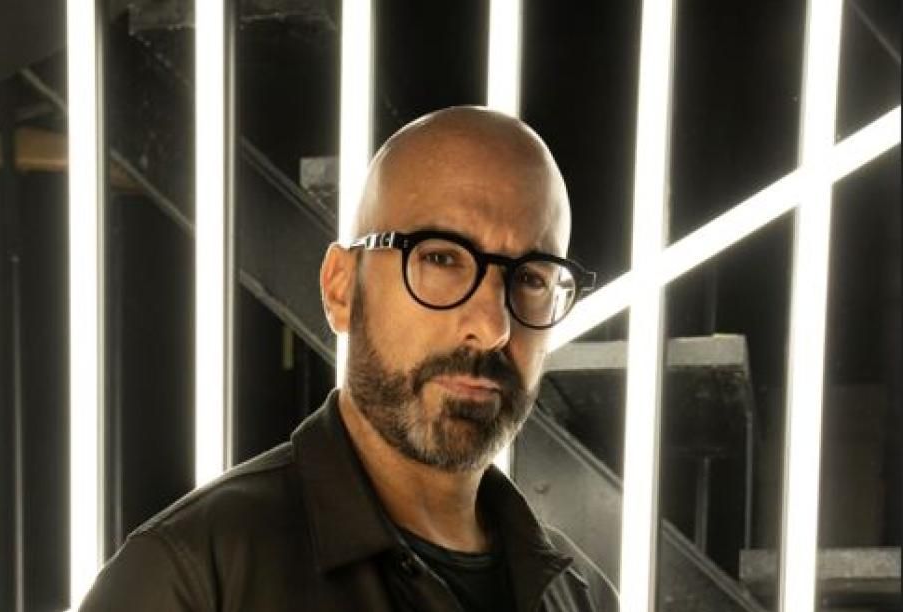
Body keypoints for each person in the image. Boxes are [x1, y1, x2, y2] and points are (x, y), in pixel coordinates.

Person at [80, 106, 618, 611]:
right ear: (341, 288)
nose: (494, 327)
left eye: (531, 278)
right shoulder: (192, 576)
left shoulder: (584, 594)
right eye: (440, 258)